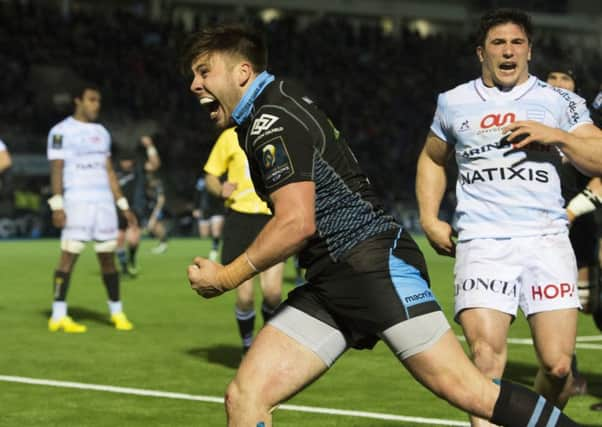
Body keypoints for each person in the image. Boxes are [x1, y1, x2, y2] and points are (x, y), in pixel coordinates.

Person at [183, 23, 581, 426]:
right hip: (333, 278)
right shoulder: (274, 107)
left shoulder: (272, 120)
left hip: (371, 266)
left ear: (242, 72)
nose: (195, 85)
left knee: (471, 391)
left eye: (204, 72)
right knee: (245, 396)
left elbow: (296, 222)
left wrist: (226, 276)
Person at [416, 9, 602, 427]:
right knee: (485, 361)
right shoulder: (454, 101)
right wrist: (429, 218)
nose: (508, 51)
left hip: (547, 240)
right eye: (498, 43)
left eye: (517, 43)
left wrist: (557, 135)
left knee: (558, 368)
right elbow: (431, 158)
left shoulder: (560, 102)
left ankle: (534, 419)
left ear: (529, 51)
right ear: (481, 52)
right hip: (482, 242)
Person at [46, 83, 136, 332]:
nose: (96, 104)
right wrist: (57, 205)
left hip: (104, 203)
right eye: (91, 99)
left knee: (107, 257)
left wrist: (122, 204)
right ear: (78, 100)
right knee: (69, 255)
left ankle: (116, 313)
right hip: (76, 201)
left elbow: (108, 170)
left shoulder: (101, 132)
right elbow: (56, 170)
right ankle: (58, 314)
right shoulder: (60, 131)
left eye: (98, 100)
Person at [203, 127, 284, 353]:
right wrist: (219, 189)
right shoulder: (230, 136)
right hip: (239, 219)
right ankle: (248, 347)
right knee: (245, 296)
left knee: (273, 293)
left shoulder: (275, 132)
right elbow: (210, 174)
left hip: (272, 216)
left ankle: (266, 347)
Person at [114, 136, 161, 276]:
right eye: (124, 161)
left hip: (136, 208)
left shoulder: (139, 170)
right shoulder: (114, 173)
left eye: (128, 160)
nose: (126, 163)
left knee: (133, 240)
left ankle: (132, 258)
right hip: (118, 209)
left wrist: (150, 147)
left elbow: (155, 164)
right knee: (119, 238)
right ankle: (123, 266)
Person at [192, 175, 225, 261]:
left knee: (216, 230)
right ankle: (208, 252)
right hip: (205, 209)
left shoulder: (222, 179)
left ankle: (214, 250)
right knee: (204, 235)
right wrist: (196, 208)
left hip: (218, 209)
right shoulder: (201, 180)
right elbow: (197, 194)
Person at [145, 172, 169, 254]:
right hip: (152, 208)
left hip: (158, 208)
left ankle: (163, 245)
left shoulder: (158, 185)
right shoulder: (147, 187)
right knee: (154, 227)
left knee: (157, 226)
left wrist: (155, 213)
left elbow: (161, 200)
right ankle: (162, 244)